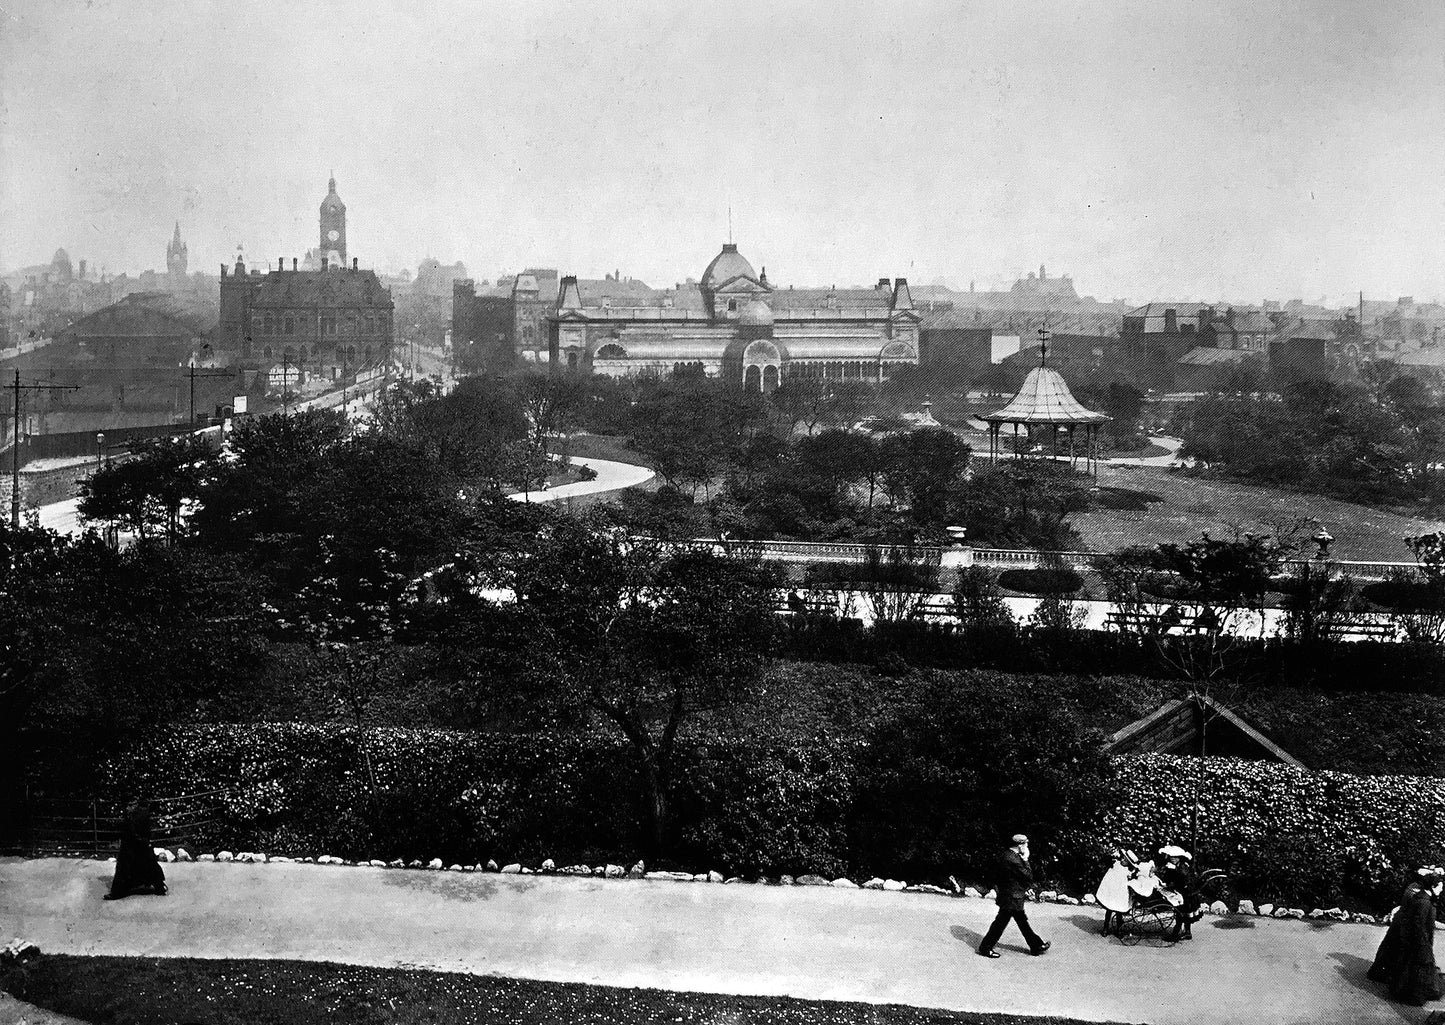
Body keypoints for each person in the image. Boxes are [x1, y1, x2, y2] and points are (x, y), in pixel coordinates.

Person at [1369, 867, 1445, 1006]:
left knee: (1401, 959)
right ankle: (1403, 988)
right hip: (1408, 932)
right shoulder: (1422, 899)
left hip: (1404, 929)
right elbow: (1419, 924)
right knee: (1408, 961)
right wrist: (1424, 945)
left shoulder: (1417, 892)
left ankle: (1396, 982)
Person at [978, 834, 1050, 958]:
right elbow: (1028, 876)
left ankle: (1036, 945)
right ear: (1020, 845)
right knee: (1002, 922)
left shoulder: (1006, 855)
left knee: (1020, 920)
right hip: (1012, 897)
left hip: (1009, 894)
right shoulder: (1014, 860)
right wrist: (1026, 859)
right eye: (1026, 844)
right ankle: (985, 947)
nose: (1027, 847)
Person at [104, 798, 167, 900]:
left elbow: (136, 829)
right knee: (148, 863)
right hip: (139, 842)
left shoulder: (135, 814)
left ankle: (118, 892)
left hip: (134, 843)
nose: (127, 808)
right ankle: (159, 886)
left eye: (129, 805)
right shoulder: (141, 812)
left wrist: (142, 840)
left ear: (133, 805)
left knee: (126, 867)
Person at [1157, 846, 1200, 940]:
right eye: (1171, 857)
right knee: (1183, 914)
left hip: (1187, 893)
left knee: (1181, 913)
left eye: (1175, 857)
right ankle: (1186, 932)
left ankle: (1176, 934)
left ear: (1179, 858)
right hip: (1184, 891)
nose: (1173, 859)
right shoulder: (1177, 865)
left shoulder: (1182, 866)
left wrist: (1170, 882)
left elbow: (1182, 879)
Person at [1096, 847, 1137, 937]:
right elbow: (1106, 861)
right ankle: (1105, 928)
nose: (1122, 860)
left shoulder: (1129, 871)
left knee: (1119, 912)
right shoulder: (1115, 863)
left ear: (1129, 864)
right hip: (1112, 891)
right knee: (1109, 910)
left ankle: (1119, 929)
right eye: (1122, 858)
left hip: (1120, 893)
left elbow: (1130, 880)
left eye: (1125, 860)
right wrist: (1111, 855)